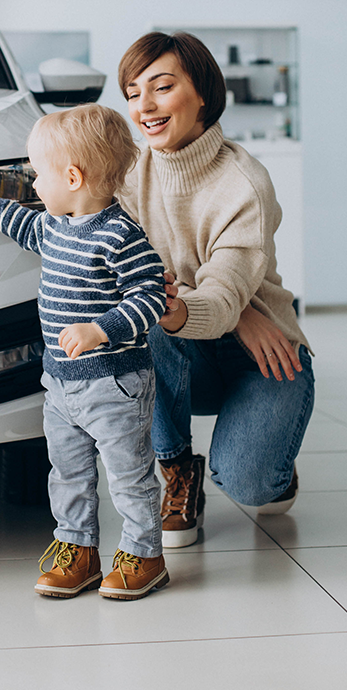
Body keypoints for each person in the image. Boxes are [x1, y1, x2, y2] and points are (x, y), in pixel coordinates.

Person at [0, 104, 170, 600]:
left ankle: (145, 554)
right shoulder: (56, 226)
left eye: (38, 174)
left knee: (128, 475)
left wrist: (101, 329)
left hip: (114, 382)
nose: (34, 184)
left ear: (72, 177)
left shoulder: (120, 235)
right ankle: (78, 550)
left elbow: (152, 295)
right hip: (60, 384)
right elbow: (22, 223)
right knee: (68, 474)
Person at [117, 31, 315, 548]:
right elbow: (124, 268)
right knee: (146, 318)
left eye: (162, 87)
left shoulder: (243, 183)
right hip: (187, 345)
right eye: (133, 93)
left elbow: (224, 287)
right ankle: (178, 472)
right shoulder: (130, 175)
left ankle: (274, 463)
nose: (144, 106)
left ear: (203, 93)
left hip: (264, 354)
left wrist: (233, 308)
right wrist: (236, 312)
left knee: (251, 485)